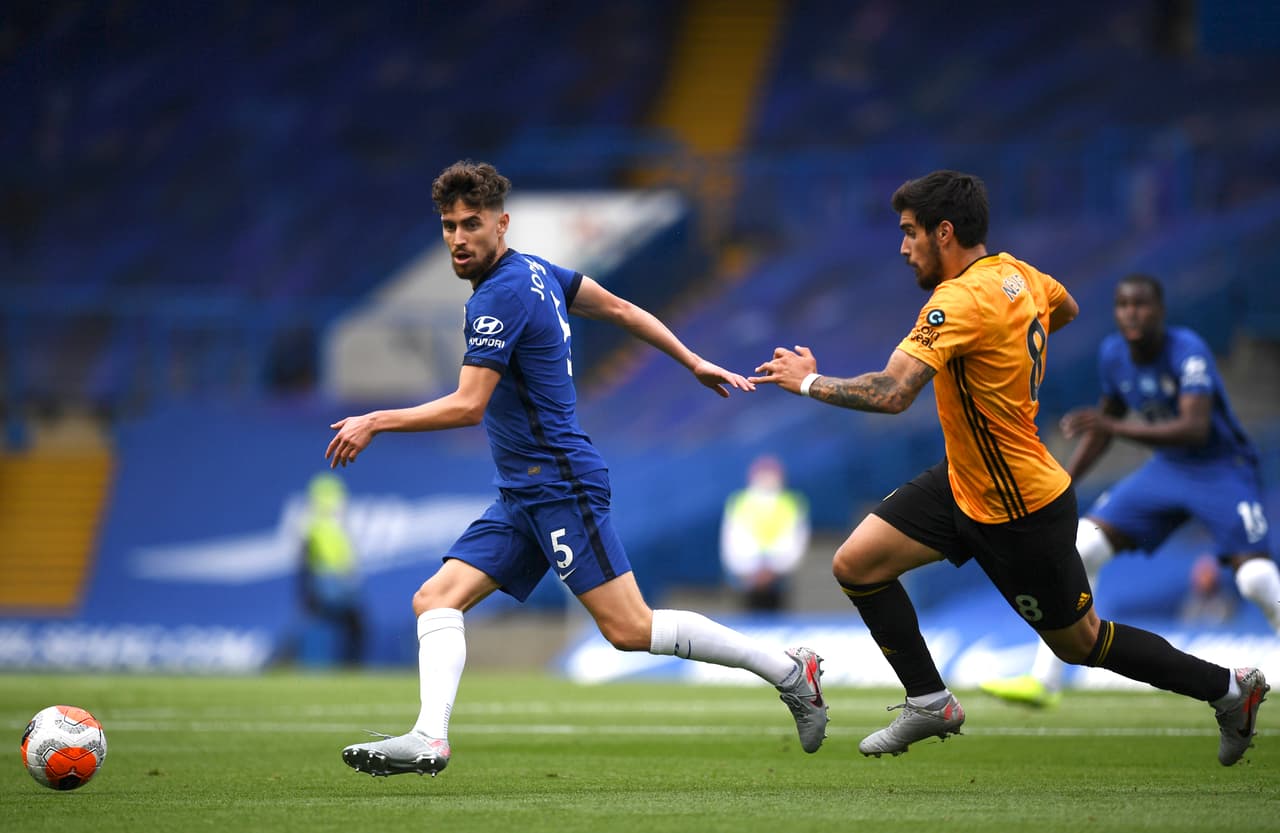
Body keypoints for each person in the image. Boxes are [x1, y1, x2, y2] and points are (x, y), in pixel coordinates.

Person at [325, 160, 827, 777]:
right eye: (449, 226)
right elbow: (618, 309)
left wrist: (375, 420)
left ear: (501, 223)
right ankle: (430, 737)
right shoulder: (536, 271)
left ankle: (787, 669)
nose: (458, 238)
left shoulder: (501, 295)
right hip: (522, 493)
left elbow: (467, 404)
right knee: (435, 598)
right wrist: (690, 359)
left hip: (559, 484)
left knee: (629, 628)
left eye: (471, 224)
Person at [750, 170, 1268, 766]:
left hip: (1020, 507)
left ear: (944, 233)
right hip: (964, 479)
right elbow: (1064, 306)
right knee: (857, 565)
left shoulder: (959, 299)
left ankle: (1230, 690)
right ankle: (929, 700)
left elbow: (893, 393)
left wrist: (807, 381)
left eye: (910, 233)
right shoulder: (1020, 275)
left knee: (1082, 643)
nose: (902, 247)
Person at [981, 273, 1280, 706]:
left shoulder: (1187, 350)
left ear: (1160, 311)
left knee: (1254, 580)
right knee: (1083, 545)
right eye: (1123, 305)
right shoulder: (1113, 355)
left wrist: (1115, 426)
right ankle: (1045, 681)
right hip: (1167, 470)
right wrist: (1062, 485)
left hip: (1220, 468)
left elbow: (1195, 428)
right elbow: (1104, 426)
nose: (1131, 313)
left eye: (1141, 305)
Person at [720, 454, 811, 611]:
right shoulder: (738, 502)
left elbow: (797, 541)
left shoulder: (792, 502)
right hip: (747, 579)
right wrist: (751, 570)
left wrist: (774, 569)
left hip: (779, 580)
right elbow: (732, 541)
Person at [296, 472, 366, 666]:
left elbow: (304, 559)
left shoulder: (312, 523)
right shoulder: (325, 525)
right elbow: (307, 559)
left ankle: (323, 667)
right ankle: (348, 666)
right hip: (331, 583)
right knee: (350, 625)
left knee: (330, 624)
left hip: (328, 582)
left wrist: (304, 588)